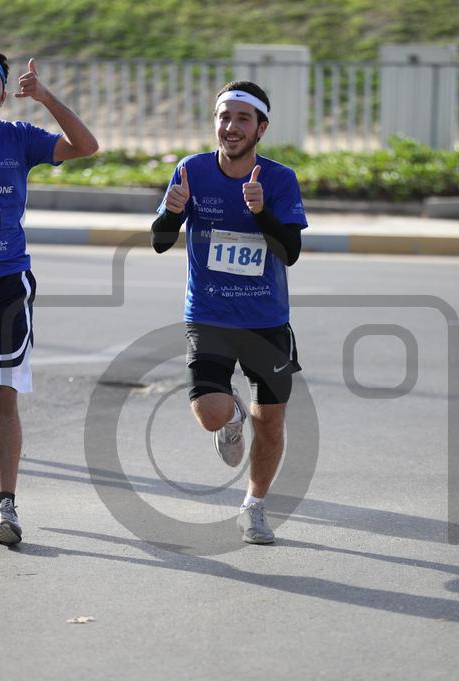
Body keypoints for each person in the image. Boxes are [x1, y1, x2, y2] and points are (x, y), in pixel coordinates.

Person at [151, 80, 307, 544]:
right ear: (215, 123)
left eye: (243, 119)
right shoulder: (191, 171)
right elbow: (159, 241)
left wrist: (261, 213)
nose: (232, 127)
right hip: (209, 314)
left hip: (266, 320)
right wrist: (170, 215)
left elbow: (290, 251)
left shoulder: (279, 179)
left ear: (261, 128)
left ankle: (254, 507)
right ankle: (232, 418)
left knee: (271, 421)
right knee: (210, 414)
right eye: (224, 117)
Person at [0, 45, 98, 545]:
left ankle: (6, 505)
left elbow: (85, 146)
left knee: (2, 396)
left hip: (4, 284)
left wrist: (45, 97)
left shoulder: (19, 138)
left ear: (3, 92)